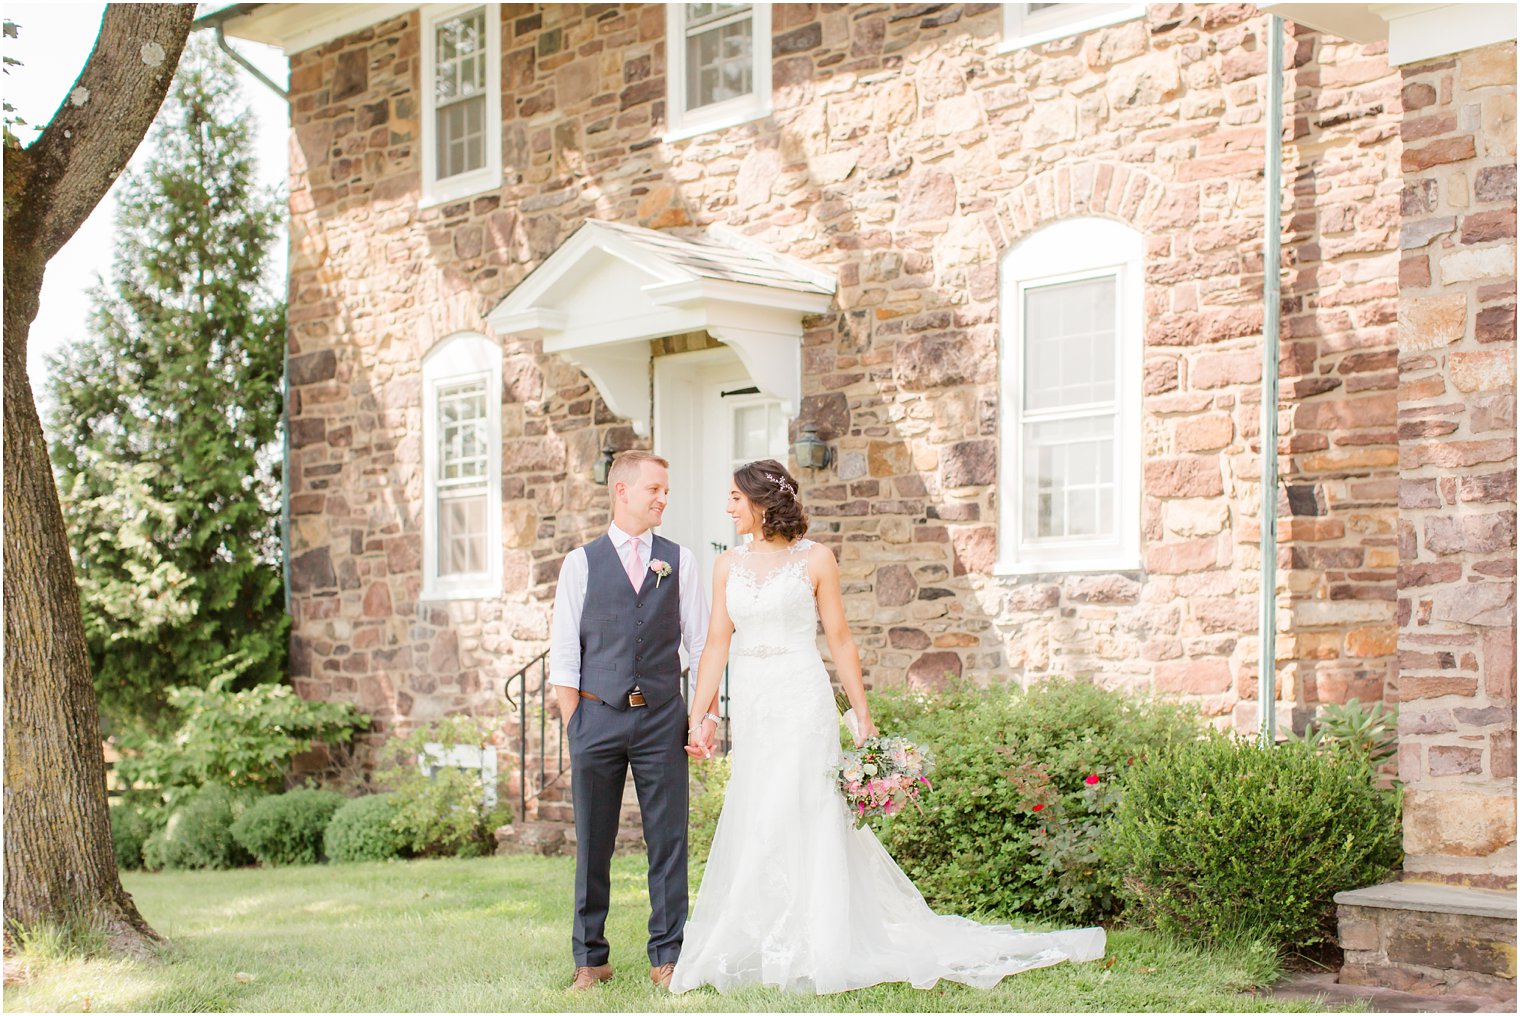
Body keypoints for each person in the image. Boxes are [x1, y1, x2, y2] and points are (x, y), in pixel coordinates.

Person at [671, 459, 1106, 995]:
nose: (727, 507)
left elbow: (840, 639)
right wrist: (701, 712)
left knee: (806, 808)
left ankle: (819, 940)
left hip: (802, 698)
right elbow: (717, 642)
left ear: (761, 502)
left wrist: (863, 716)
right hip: (757, 705)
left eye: (735, 498)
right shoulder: (726, 567)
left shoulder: (816, 559)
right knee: (759, 807)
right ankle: (768, 937)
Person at [548, 451, 715, 991]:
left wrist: (697, 717)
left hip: (663, 719)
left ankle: (668, 955)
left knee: (668, 840)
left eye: (666, 490)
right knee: (593, 842)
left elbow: (700, 642)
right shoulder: (581, 562)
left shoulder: (679, 560)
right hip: (595, 717)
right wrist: (576, 722)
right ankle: (590, 959)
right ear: (622, 490)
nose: (663, 498)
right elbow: (564, 652)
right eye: (655, 489)